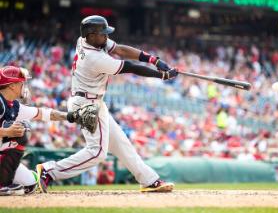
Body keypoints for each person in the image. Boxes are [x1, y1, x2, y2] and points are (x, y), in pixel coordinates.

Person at [37, 15, 178, 193]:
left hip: (91, 100)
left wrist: (154, 60)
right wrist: (162, 76)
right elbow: (130, 67)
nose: (106, 37)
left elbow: (119, 49)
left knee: (121, 143)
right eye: (102, 34)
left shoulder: (84, 40)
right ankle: (49, 171)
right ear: (91, 35)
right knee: (97, 152)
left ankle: (149, 180)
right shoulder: (93, 57)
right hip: (86, 104)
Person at [0, 66, 96, 196]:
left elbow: (44, 114)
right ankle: (2, 184)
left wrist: (71, 116)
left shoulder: (13, 105)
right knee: (18, 133)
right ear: (12, 85)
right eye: (21, 82)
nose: (24, 86)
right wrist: (6, 132)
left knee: (30, 184)